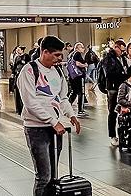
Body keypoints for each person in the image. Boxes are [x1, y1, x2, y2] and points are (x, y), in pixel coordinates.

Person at [17, 36, 81, 196]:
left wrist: (71, 114)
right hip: (36, 129)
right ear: (45, 52)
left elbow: (62, 97)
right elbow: (30, 103)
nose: (61, 59)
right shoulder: (29, 70)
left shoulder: (58, 71)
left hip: (54, 129)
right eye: (57, 55)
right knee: (43, 176)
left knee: (53, 176)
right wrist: (53, 121)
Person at [100, 40, 128, 146]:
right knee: (112, 112)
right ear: (116, 47)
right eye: (121, 50)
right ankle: (112, 135)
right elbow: (109, 74)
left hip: (122, 87)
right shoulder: (108, 58)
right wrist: (123, 75)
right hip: (112, 88)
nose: (122, 52)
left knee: (123, 110)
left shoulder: (122, 58)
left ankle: (123, 134)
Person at [69, 43, 88, 117]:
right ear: (77, 48)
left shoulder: (71, 54)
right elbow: (77, 63)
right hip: (78, 76)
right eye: (82, 47)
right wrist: (85, 65)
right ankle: (80, 110)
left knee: (74, 92)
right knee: (81, 93)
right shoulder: (77, 54)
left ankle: (67, 105)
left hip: (72, 76)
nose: (83, 49)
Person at [13, 46, 30, 114]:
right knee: (17, 92)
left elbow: (28, 64)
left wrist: (22, 62)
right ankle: (18, 108)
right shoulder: (16, 57)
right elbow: (14, 66)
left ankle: (24, 107)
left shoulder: (26, 56)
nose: (17, 51)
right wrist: (13, 73)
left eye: (19, 50)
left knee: (23, 91)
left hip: (24, 75)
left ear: (22, 50)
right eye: (17, 50)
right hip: (17, 75)